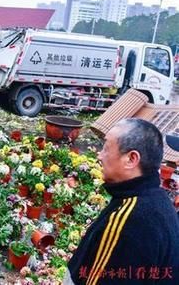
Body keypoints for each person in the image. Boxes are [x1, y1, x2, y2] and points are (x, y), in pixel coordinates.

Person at [65, 118, 179, 285]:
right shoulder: (158, 201)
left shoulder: (131, 220)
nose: (99, 155)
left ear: (131, 159)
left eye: (106, 148)